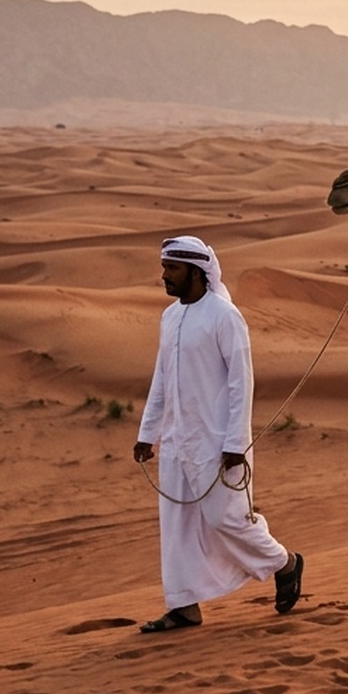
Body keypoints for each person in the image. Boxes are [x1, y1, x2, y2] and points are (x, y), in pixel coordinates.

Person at [132, 235, 303, 633]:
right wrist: (148, 434)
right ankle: (184, 606)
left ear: (196, 271)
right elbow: (161, 380)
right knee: (176, 526)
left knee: (226, 519)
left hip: (217, 442)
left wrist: (235, 444)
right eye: (164, 267)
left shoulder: (224, 316)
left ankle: (285, 563)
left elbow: (241, 385)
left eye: (172, 269)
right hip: (176, 442)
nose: (164, 276)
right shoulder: (170, 317)